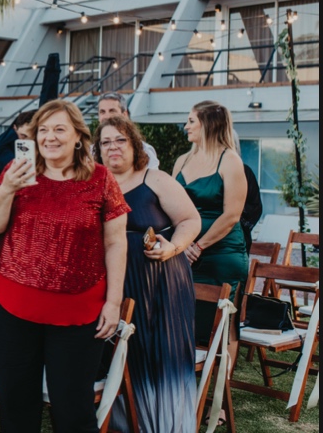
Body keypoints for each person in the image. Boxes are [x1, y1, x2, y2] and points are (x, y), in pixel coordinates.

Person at [0, 100, 130, 433]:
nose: (50, 137)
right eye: (43, 130)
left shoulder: (101, 179)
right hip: (13, 305)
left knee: (73, 408)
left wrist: (114, 302)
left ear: (78, 136)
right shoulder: (17, 171)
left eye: (60, 129)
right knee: (16, 404)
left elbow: (116, 242)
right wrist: (7, 189)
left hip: (79, 311)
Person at [98, 116, 203, 432]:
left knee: (160, 352)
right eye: (105, 142)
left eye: (120, 140)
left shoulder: (155, 179)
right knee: (123, 352)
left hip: (160, 282)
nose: (113, 147)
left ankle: (167, 425)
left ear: (134, 145)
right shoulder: (95, 184)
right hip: (115, 283)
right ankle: (124, 423)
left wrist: (174, 247)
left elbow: (190, 220)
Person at [173, 101, 248, 343]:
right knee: (183, 319)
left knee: (223, 323)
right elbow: (171, 206)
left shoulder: (230, 161)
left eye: (191, 121)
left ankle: (222, 367)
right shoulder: (182, 161)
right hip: (185, 253)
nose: (186, 126)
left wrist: (198, 246)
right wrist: (181, 245)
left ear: (208, 124)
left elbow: (232, 215)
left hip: (221, 254)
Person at [97, 93, 161, 169]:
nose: (107, 116)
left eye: (112, 111)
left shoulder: (145, 150)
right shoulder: (91, 151)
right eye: (102, 112)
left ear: (124, 115)